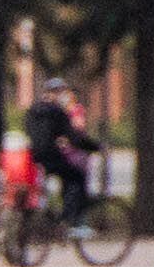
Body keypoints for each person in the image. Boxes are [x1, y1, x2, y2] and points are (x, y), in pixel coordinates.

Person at [24, 77, 101, 214]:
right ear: (57, 93)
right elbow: (73, 137)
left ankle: (45, 214)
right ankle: (69, 218)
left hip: (34, 157)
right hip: (51, 156)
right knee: (76, 177)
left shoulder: (32, 111)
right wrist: (94, 147)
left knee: (44, 185)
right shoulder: (57, 112)